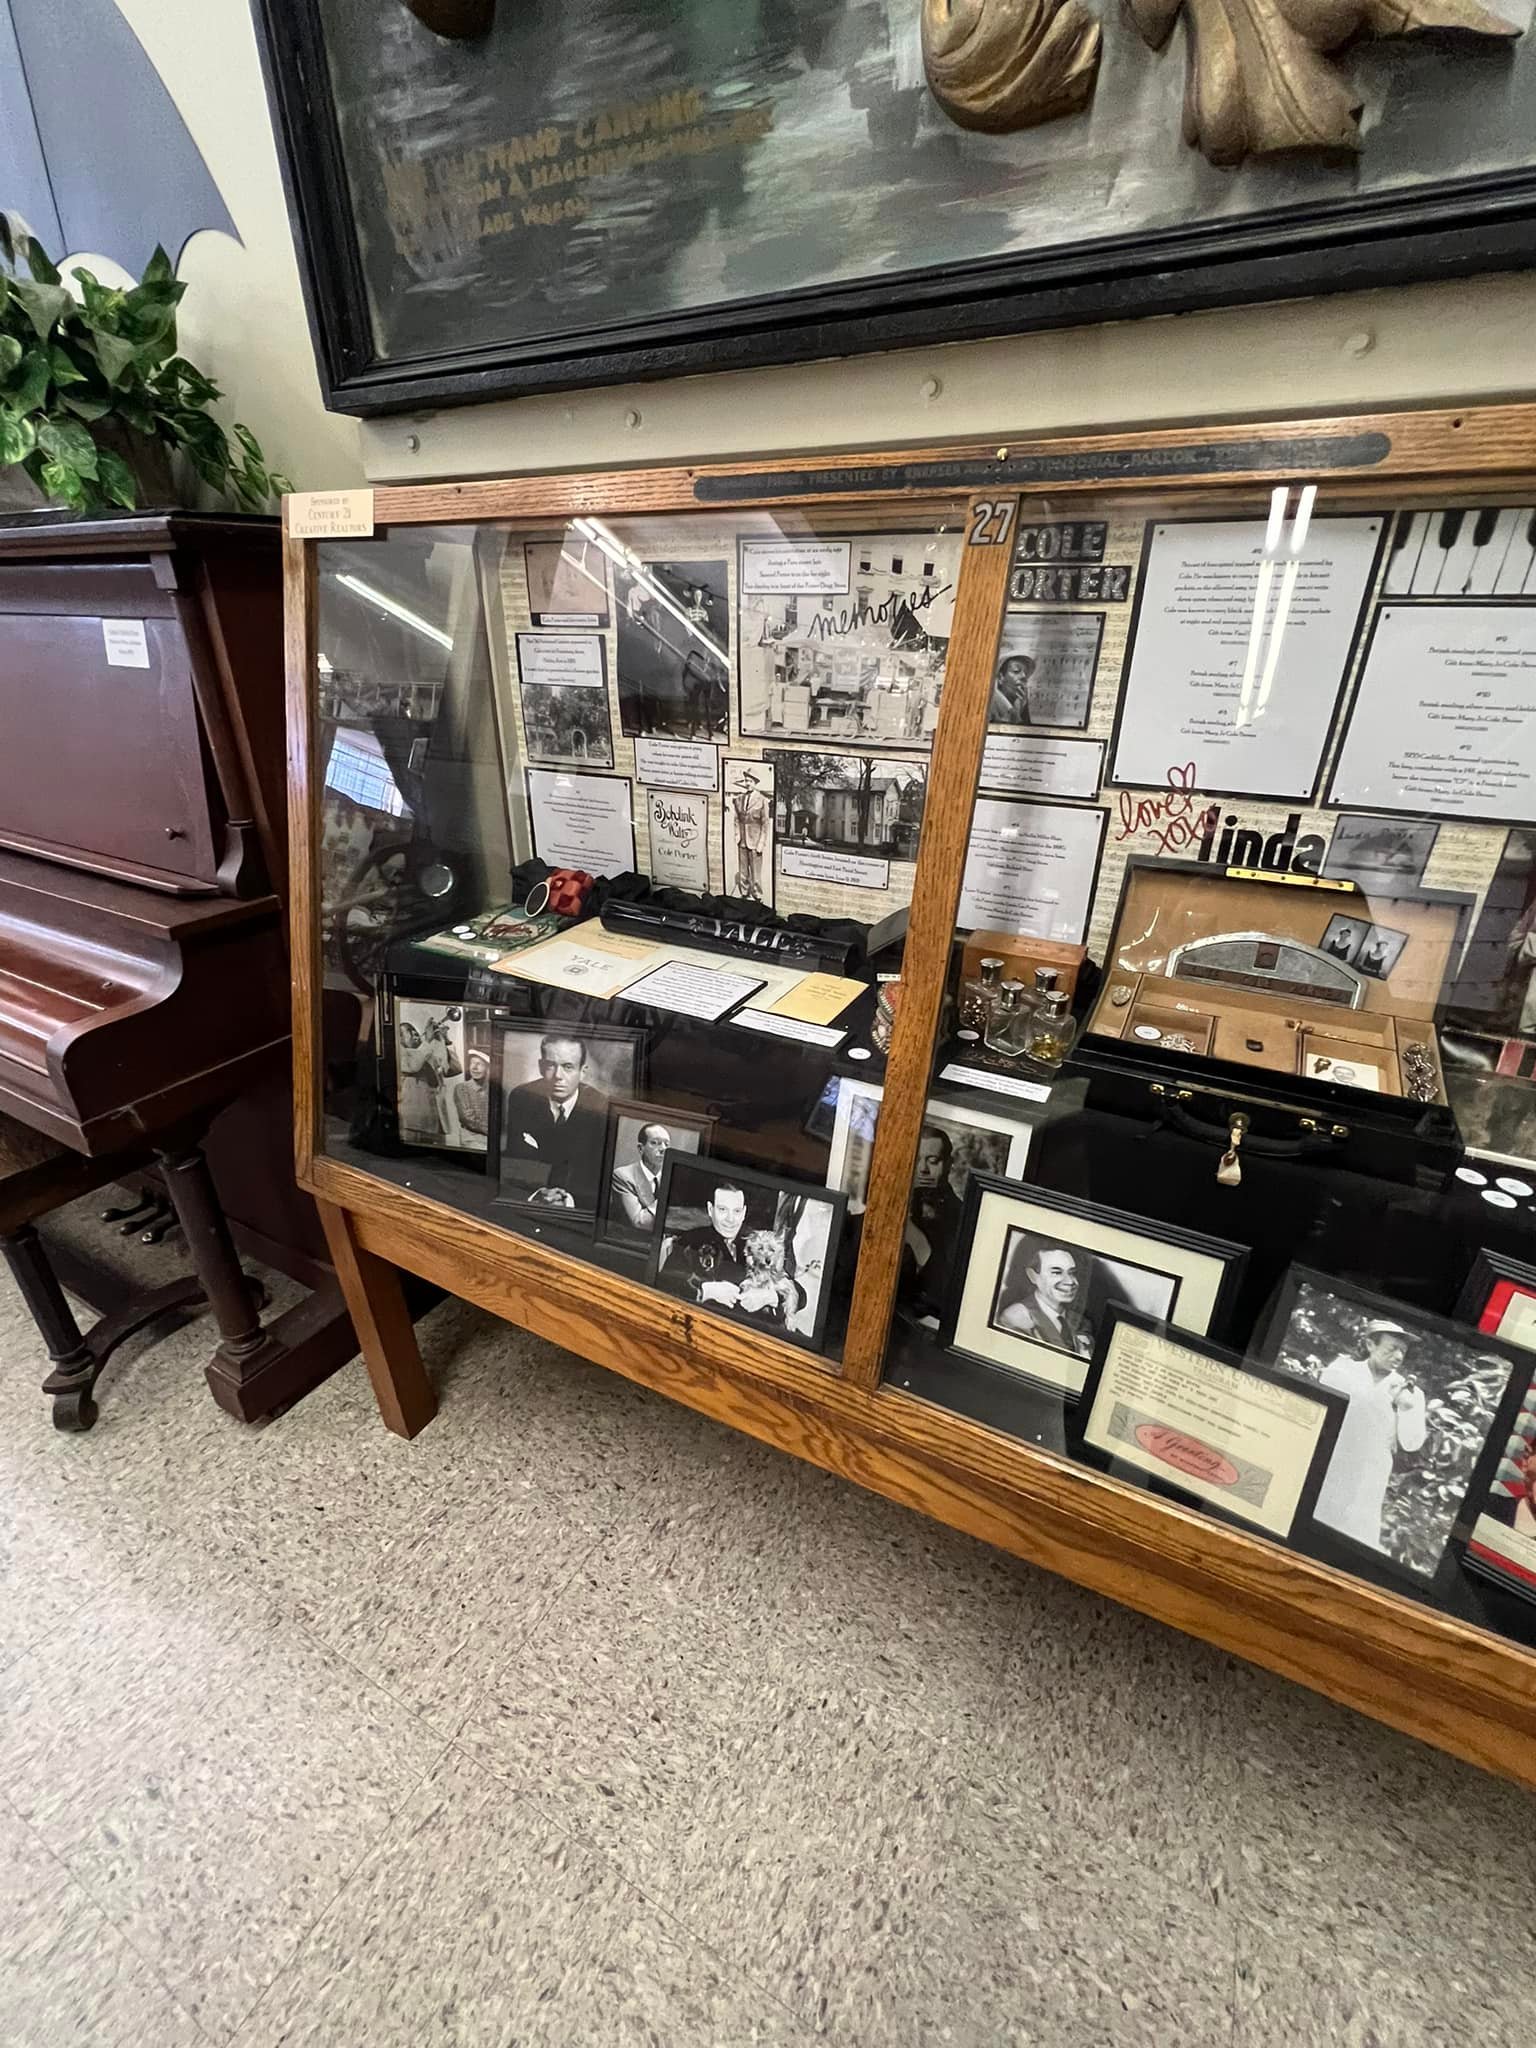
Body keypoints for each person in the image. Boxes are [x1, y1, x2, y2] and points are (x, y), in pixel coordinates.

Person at [1316, 1318, 1429, 1551]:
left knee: (1356, 1532)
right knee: (1318, 1516)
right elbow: (1325, 1405)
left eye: (1403, 1351)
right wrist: (1381, 1398)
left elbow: (1411, 1443)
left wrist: (1406, 1409)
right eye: (1392, 1348)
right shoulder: (1342, 1371)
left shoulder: (1410, 1391)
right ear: (1370, 1345)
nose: (1398, 1356)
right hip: (1333, 1459)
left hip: (1371, 1470)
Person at [500, 1033, 609, 1211]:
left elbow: (596, 1173)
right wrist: (537, 1194)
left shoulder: (601, 1108)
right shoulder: (522, 1097)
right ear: (541, 1067)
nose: (558, 1076)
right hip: (532, 1196)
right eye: (551, 1065)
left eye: (568, 1067)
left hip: (577, 1203)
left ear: (582, 1072)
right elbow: (515, 1160)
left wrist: (568, 1200)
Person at [658, 1181, 752, 1307]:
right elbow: (666, 1284)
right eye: (722, 1209)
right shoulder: (689, 1240)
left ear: (744, 1213)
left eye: (737, 1211)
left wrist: (772, 1298)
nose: (730, 1219)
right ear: (710, 1209)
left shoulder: (756, 1244)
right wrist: (706, 1291)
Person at [996, 1242, 1094, 1357]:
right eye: (1057, 1272)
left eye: (1072, 1273)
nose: (1070, 1281)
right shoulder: (1016, 1318)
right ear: (1033, 1276)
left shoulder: (1082, 1322)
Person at [904, 1125, 963, 1314]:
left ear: (948, 1164)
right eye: (916, 1159)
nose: (922, 1169)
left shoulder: (960, 1216)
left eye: (933, 1161)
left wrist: (916, 1240)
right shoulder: (895, 1200)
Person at [610, 1120, 670, 1234]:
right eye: (655, 1143)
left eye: (666, 1144)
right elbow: (638, 1222)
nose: (663, 1149)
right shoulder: (622, 1176)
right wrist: (667, 1198)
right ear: (640, 1148)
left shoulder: (671, 1178)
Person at [731, 768, 770, 900]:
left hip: (755, 841)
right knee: (743, 870)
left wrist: (761, 843)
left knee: (755, 871)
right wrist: (737, 835)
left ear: (755, 783)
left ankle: (757, 894)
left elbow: (765, 824)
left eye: (750, 781)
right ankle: (744, 892)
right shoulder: (740, 799)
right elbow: (736, 819)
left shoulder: (762, 800)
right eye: (746, 781)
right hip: (742, 840)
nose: (748, 783)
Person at [449, 1047, 491, 1153]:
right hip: (472, 1139)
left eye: (479, 1064)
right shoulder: (462, 1088)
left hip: (492, 1139)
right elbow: (467, 1119)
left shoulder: (493, 1090)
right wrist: (492, 1131)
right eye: (472, 1063)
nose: (474, 1068)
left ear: (488, 1068)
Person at [989, 652, 1036, 723]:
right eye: (1016, 671)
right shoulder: (990, 706)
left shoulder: (1020, 704)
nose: (1024, 676)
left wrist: (1024, 709)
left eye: (1026, 673)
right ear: (1001, 677)